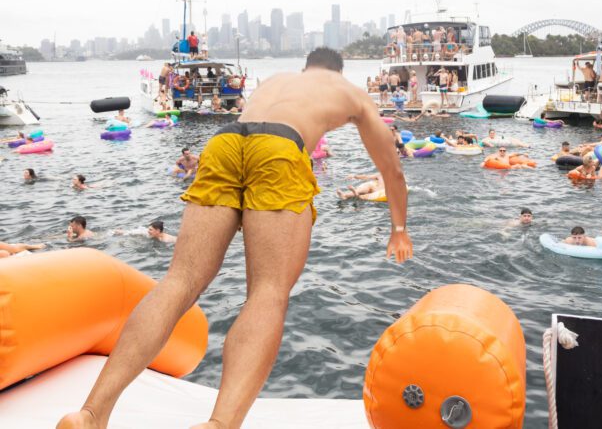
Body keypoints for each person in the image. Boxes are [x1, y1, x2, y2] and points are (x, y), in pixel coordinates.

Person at [56, 47, 411, 429]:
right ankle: (220, 424)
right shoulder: (351, 94)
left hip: (224, 142)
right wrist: (398, 230)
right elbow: (392, 172)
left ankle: (91, 413)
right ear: (339, 73)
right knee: (268, 292)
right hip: (280, 148)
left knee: (179, 281)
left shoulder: (278, 81)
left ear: (305, 68)